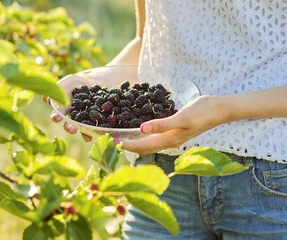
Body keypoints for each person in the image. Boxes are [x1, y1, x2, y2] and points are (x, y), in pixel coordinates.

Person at [51, 0, 287, 239]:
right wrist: (97, 82)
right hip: (162, 170)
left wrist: (221, 109)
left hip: (269, 175)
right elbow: (148, 42)